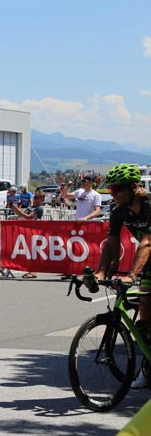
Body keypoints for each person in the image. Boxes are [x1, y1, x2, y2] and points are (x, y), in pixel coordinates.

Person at [94, 164, 151, 389]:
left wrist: (131, 275)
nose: (113, 193)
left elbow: (147, 242)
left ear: (134, 187)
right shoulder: (119, 211)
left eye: (117, 189)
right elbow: (112, 243)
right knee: (145, 312)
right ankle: (148, 368)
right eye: (111, 189)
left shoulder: (149, 205)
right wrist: (101, 271)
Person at [11, 191, 45, 278]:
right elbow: (22, 214)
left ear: (41, 199)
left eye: (37, 198)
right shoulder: (31, 207)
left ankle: (33, 271)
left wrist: (19, 212)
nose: (35, 199)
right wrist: (16, 209)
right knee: (28, 252)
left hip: (33, 232)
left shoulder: (39, 209)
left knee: (33, 252)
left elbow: (29, 217)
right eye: (34, 197)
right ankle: (30, 270)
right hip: (25, 231)